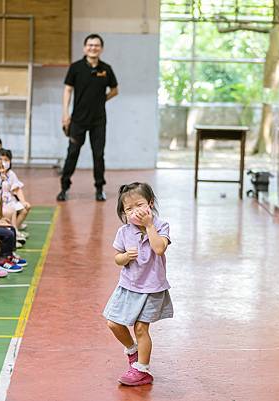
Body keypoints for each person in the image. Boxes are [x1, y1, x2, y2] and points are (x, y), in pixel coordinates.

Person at [103, 182, 172, 386]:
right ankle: (132, 351)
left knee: (141, 328)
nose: (134, 212)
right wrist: (124, 257)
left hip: (152, 288)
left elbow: (159, 249)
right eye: (128, 209)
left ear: (150, 204)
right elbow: (117, 259)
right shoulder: (124, 231)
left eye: (138, 205)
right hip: (128, 286)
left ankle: (142, 370)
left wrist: (149, 226)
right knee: (113, 322)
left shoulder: (161, 226)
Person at [57, 33, 119, 202]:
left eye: (96, 45)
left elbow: (115, 90)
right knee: (72, 153)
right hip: (78, 120)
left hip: (98, 120)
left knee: (98, 154)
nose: (93, 48)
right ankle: (64, 187)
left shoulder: (106, 69)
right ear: (85, 48)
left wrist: (102, 100)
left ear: (101, 49)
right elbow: (68, 90)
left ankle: (99, 189)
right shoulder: (76, 67)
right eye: (90, 45)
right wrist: (65, 113)